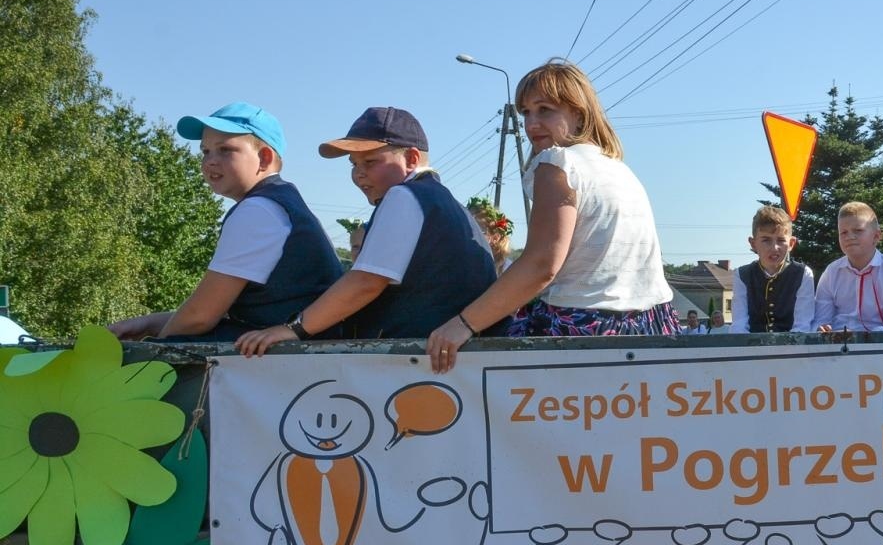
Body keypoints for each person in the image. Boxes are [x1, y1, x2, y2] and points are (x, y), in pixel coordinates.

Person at [426, 60, 675, 373]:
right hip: (651, 325)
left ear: (578, 112)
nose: (531, 124)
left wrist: (462, 324)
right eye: (526, 112)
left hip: (583, 324)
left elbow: (542, 265)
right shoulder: (618, 168)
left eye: (545, 110)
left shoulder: (557, 163)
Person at [235, 106, 502, 353]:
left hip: (414, 357)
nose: (358, 174)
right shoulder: (443, 201)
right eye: (353, 164)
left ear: (411, 158)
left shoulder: (404, 196)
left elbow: (366, 282)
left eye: (370, 162)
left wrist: (292, 329)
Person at [110, 102, 341, 342]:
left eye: (225, 150)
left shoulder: (258, 211)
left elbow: (200, 316)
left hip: (287, 363)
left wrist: (153, 351)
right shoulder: (279, 202)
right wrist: (148, 323)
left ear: (264, 158)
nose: (210, 161)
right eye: (205, 151)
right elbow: (211, 312)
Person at [812, 202, 883, 333]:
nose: (849, 237)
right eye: (843, 232)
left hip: (878, 347)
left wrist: (863, 338)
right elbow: (820, 319)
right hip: (836, 345)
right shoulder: (831, 272)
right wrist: (821, 329)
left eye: (858, 231)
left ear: (876, 236)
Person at [729, 205, 816, 333]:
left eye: (781, 240)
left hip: (791, 348)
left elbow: (802, 325)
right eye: (766, 240)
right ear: (753, 243)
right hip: (753, 347)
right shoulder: (742, 275)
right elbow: (739, 324)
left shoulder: (803, 274)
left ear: (791, 244)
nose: (774, 247)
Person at [467, 196, 515, 273]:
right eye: (465, 230)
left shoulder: (509, 271)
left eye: (474, 232)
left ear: (495, 238)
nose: (467, 237)